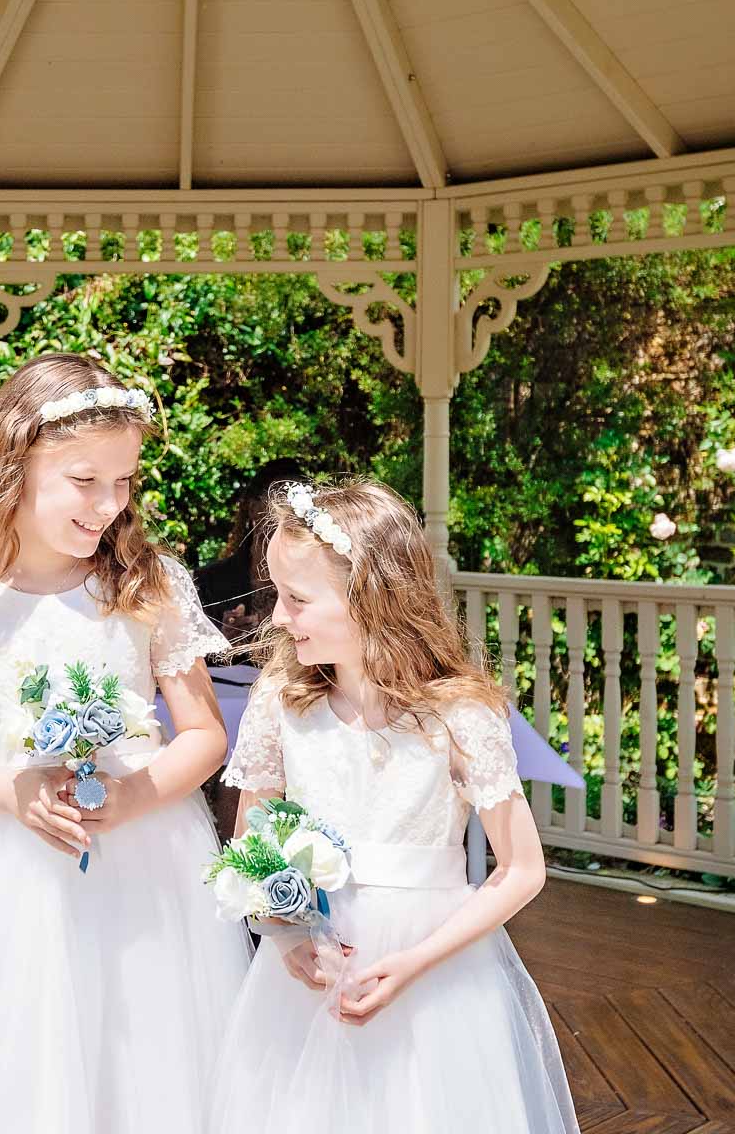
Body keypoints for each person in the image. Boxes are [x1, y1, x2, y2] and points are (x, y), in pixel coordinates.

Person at [0, 353, 250, 1133]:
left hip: (150, 859)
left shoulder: (150, 584)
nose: (109, 505)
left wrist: (134, 794)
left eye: (123, 484)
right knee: (25, 1061)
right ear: (15, 465)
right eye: (86, 482)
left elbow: (204, 735)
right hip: (10, 870)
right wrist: (14, 792)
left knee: (150, 1051)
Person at [208, 479, 575, 1134]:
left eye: (296, 600)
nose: (278, 620)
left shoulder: (460, 712)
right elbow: (252, 840)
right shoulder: (281, 700)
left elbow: (521, 870)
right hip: (311, 969)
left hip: (436, 975)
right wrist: (286, 934)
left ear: (369, 597)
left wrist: (414, 963)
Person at [194, 457, 309, 648]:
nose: (288, 514)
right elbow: (193, 659)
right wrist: (225, 642)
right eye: (279, 502)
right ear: (253, 507)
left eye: (298, 504)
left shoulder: (314, 579)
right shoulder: (208, 583)